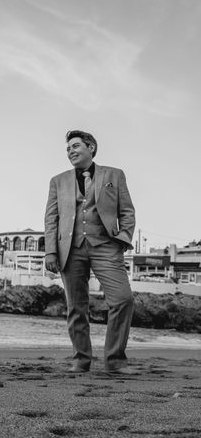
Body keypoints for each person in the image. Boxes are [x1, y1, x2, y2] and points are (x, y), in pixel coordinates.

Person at [44, 130, 136, 374]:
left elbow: (127, 210)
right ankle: (81, 359)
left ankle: (115, 360)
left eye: (75, 146)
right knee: (76, 307)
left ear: (91, 147)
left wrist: (123, 239)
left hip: (106, 246)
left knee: (123, 300)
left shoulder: (114, 175)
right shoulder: (58, 181)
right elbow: (51, 218)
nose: (70, 151)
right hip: (70, 250)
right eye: (68, 149)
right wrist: (50, 252)